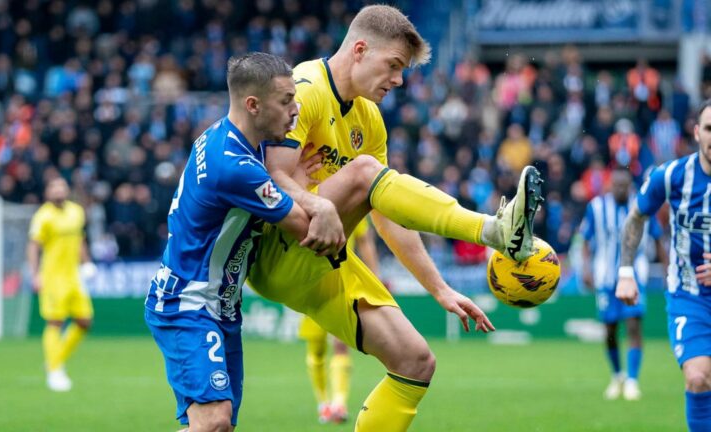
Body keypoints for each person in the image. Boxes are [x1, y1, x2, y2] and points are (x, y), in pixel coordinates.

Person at [248, 5, 543, 430]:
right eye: (394, 66)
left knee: (416, 361)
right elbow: (271, 177)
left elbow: (390, 214)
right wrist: (318, 201)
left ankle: (497, 232)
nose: (399, 80)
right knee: (365, 170)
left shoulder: (369, 119)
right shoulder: (305, 87)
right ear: (360, 50)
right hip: (279, 248)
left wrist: (439, 289)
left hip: (324, 262)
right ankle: (495, 230)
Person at [143, 52, 329, 432]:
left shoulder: (236, 141)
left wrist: (288, 181)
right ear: (253, 104)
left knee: (216, 427)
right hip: (188, 303)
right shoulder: (234, 165)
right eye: (286, 101)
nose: (296, 111)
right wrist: (312, 194)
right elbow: (304, 228)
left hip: (220, 308)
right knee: (214, 421)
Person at [617, 99, 711, 431]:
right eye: (710, 128)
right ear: (697, 132)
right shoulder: (671, 175)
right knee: (698, 377)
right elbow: (635, 217)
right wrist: (626, 271)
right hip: (691, 295)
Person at [580, 166, 666, 401]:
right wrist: (585, 269)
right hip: (606, 277)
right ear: (610, 185)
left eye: (623, 185)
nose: (619, 189)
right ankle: (617, 375)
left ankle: (632, 380)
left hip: (635, 276)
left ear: (630, 186)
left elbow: (658, 238)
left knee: (634, 326)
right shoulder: (596, 208)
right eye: (616, 185)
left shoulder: (642, 206)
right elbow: (586, 241)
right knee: (609, 330)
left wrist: (667, 269)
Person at [300, 218, 380, 424]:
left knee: (340, 344)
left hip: (343, 283)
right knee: (316, 348)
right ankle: (323, 403)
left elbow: (365, 241)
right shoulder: (311, 202)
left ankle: (339, 404)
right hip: (312, 284)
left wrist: (375, 279)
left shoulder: (351, 201)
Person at [27, 177, 96, 392]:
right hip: (52, 277)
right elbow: (33, 246)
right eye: (54, 187)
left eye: (61, 187)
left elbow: (80, 240)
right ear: (48, 192)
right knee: (55, 322)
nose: (58, 190)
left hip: (73, 276)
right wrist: (35, 274)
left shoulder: (76, 211)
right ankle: (55, 371)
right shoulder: (43, 216)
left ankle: (54, 360)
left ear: (66, 190)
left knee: (85, 321)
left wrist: (87, 263)